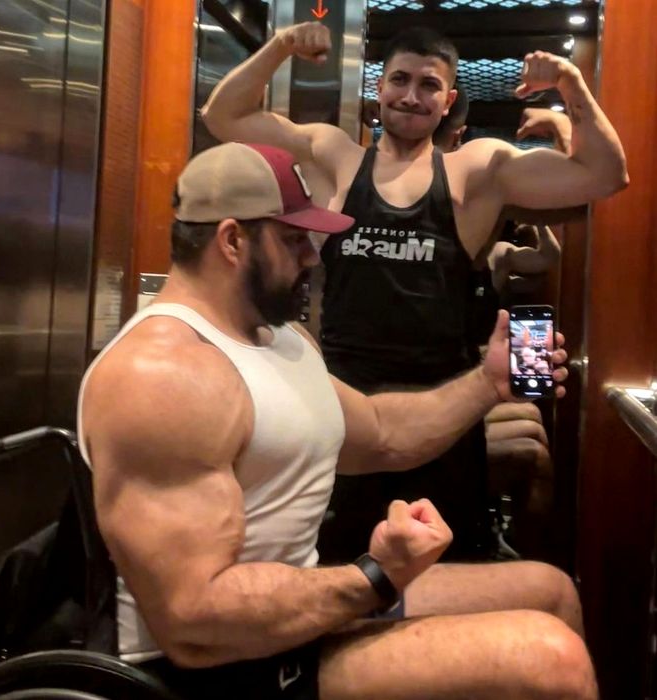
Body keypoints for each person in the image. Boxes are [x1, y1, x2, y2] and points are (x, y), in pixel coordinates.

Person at [78, 141, 595, 700]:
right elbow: (192, 621)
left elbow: (382, 433)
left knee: (551, 591)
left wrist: (488, 384)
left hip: (285, 620)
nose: (312, 257)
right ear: (232, 241)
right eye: (293, 239)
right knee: (552, 659)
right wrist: (375, 576)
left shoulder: (278, 338)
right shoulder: (164, 375)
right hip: (219, 668)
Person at [201, 23, 628, 562]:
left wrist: (569, 82)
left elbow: (605, 176)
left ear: (448, 101)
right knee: (341, 570)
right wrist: (281, 46)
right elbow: (224, 116)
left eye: (429, 85)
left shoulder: (476, 171)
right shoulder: (336, 157)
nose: (410, 96)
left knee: (443, 573)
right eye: (400, 80)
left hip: (443, 420)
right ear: (379, 88)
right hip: (345, 416)